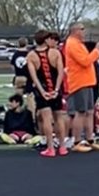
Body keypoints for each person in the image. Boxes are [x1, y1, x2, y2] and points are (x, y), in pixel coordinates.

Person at [64, 23, 99, 153]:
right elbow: (85, 61)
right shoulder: (72, 43)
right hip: (79, 82)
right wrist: (97, 50)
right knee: (81, 112)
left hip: (87, 81)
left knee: (89, 111)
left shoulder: (78, 43)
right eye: (82, 29)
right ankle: (76, 141)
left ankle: (90, 139)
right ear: (75, 31)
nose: (84, 31)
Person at [26, 29, 68, 157]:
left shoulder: (31, 55)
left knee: (46, 119)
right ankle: (62, 146)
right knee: (59, 118)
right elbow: (61, 72)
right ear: (45, 40)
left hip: (43, 90)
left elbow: (34, 77)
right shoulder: (55, 53)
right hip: (54, 89)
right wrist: (56, 89)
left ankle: (51, 148)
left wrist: (42, 91)